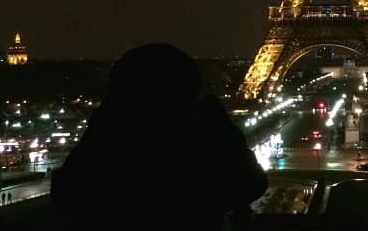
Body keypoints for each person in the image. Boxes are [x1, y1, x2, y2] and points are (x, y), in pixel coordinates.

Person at [50, 43, 268, 228]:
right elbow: (250, 183)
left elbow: (68, 194)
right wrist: (211, 109)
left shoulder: (109, 137)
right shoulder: (195, 142)